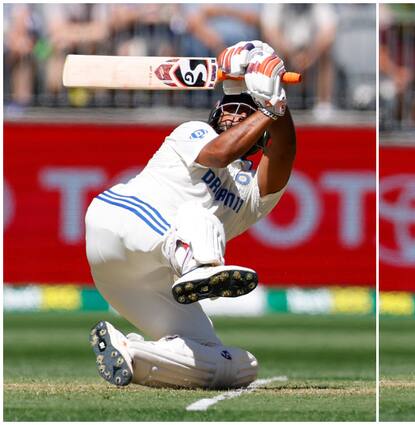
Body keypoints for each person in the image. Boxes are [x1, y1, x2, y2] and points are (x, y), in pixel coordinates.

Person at [85, 40, 296, 389]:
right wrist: (266, 106)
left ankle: (133, 354)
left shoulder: (249, 196)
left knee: (232, 366)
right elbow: (218, 154)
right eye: (229, 108)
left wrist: (278, 107)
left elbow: (285, 149)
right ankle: (196, 265)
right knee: (199, 218)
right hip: (118, 223)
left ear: (260, 136)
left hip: (133, 282)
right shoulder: (193, 132)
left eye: (246, 112)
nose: (234, 115)